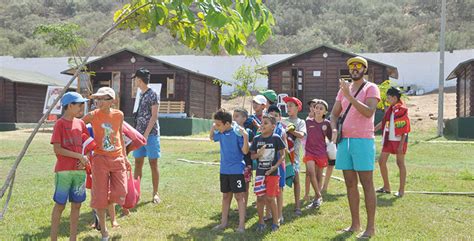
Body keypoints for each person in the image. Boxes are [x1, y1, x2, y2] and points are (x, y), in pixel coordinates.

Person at [330, 56, 380, 239]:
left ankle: (370, 228)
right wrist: (334, 129)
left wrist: (349, 96)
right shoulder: (343, 90)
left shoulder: (371, 88)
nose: (355, 68)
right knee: (350, 184)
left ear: (364, 69)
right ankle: (354, 225)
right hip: (345, 142)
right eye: (352, 66)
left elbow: (368, 112)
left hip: (363, 141)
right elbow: (334, 114)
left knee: (367, 184)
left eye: (359, 66)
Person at [83, 87, 130, 240]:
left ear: (111, 101)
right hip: (99, 159)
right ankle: (104, 231)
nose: (98, 101)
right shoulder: (92, 115)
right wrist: (85, 144)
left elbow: (120, 136)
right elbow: (77, 126)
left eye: (103, 98)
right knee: (100, 197)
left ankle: (99, 207)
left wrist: (125, 157)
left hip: (117, 157)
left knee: (121, 193)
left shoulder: (119, 115)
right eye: (97, 98)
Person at [50, 92, 90, 241]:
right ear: (69, 106)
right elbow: (57, 149)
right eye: (79, 104)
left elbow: (87, 144)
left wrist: (86, 157)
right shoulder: (59, 124)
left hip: (79, 172)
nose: (81, 107)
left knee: (77, 205)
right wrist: (79, 156)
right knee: (60, 205)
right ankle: (53, 238)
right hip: (64, 172)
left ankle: (73, 238)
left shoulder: (81, 123)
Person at [210, 109, 249, 233]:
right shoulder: (220, 133)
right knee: (226, 196)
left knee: (239, 196)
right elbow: (212, 137)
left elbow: (245, 151)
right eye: (215, 124)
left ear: (227, 124)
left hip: (237, 171)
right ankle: (223, 223)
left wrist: (246, 137)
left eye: (218, 124)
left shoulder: (237, 133)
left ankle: (241, 225)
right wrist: (213, 128)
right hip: (224, 170)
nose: (217, 126)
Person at [132, 67, 162, 204]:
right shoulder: (141, 94)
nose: (135, 82)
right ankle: (135, 193)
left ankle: (155, 193)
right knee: (138, 163)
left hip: (151, 135)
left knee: (153, 163)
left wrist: (145, 134)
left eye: (136, 79)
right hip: (139, 135)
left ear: (139, 79)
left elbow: (154, 116)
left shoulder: (153, 94)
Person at [251, 115, 286, 232]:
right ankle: (261, 222)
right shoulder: (256, 139)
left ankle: (276, 222)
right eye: (262, 123)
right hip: (260, 173)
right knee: (260, 198)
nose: (262, 125)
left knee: (271, 198)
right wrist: (258, 154)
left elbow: (282, 154)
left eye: (266, 123)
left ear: (273, 126)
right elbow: (252, 155)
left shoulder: (276, 138)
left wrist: (275, 167)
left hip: (273, 173)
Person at [375, 87, 411, 197]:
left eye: (389, 98)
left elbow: (405, 129)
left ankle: (401, 190)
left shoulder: (402, 110)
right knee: (381, 161)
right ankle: (386, 187)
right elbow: (384, 122)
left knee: (400, 164)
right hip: (388, 140)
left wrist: (401, 145)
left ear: (395, 98)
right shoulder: (391, 109)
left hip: (399, 141)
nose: (387, 100)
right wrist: (372, 130)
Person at [304, 99, 333, 209]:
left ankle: (316, 199)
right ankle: (319, 195)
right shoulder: (307, 122)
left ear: (325, 112)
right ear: (313, 109)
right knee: (311, 173)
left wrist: (335, 134)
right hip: (309, 152)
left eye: (321, 108)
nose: (318, 110)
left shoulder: (327, 123)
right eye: (316, 108)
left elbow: (331, 138)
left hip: (321, 152)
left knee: (319, 175)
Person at [282, 96, 306, 216]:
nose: (288, 107)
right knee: (279, 181)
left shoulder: (301, 122)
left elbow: (301, 135)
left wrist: (290, 130)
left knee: (296, 180)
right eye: (287, 105)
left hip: (294, 156)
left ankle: (297, 206)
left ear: (298, 108)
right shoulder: (283, 120)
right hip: (282, 156)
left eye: (291, 105)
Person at [267, 105, 287, 224]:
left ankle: (279, 214)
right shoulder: (263, 129)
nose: (273, 117)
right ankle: (268, 213)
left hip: (279, 165)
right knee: (266, 190)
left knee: (279, 190)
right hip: (265, 165)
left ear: (280, 118)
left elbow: (285, 149)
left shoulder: (281, 131)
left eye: (276, 115)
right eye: (271, 115)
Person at [232, 108, 254, 210]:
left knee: (245, 186)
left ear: (244, 118)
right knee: (235, 186)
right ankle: (239, 204)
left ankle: (243, 207)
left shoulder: (248, 132)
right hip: (234, 164)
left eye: (237, 116)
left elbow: (252, 147)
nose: (234, 118)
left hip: (246, 163)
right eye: (233, 116)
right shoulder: (231, 131)